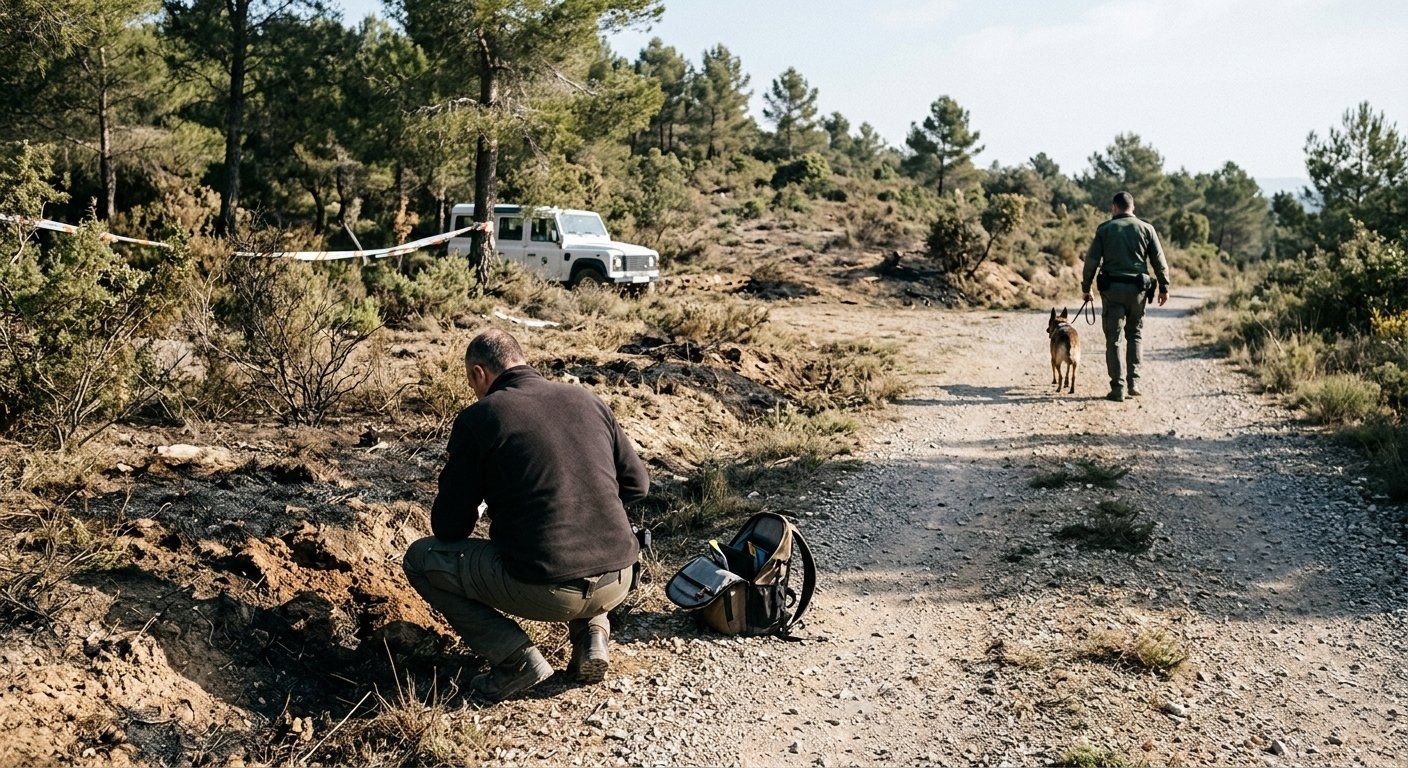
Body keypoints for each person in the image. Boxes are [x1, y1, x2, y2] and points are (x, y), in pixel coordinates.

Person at [402, 329, 649, 701]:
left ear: (478, 373)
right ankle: (593, 637)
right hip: (619, 578)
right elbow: (638, 486)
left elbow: (449, 527)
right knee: (579, 532)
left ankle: (516, 660)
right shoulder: (586, 399)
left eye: (472, 381)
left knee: (420, 559)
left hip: (547, 589)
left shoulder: (480, 417)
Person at [1081, 191, 1171, 402]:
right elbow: (1159, 260)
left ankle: (1118, 388)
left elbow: (1091, 261)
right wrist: (1164, 287)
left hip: (1112, 291)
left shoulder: (1105, 229)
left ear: (1114, 208)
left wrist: (1086, 288)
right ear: (1133, 208)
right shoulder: (1147, 229)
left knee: (1113, 339)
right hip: (1138, 291)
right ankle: (1134, 383)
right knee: (1135, 334)